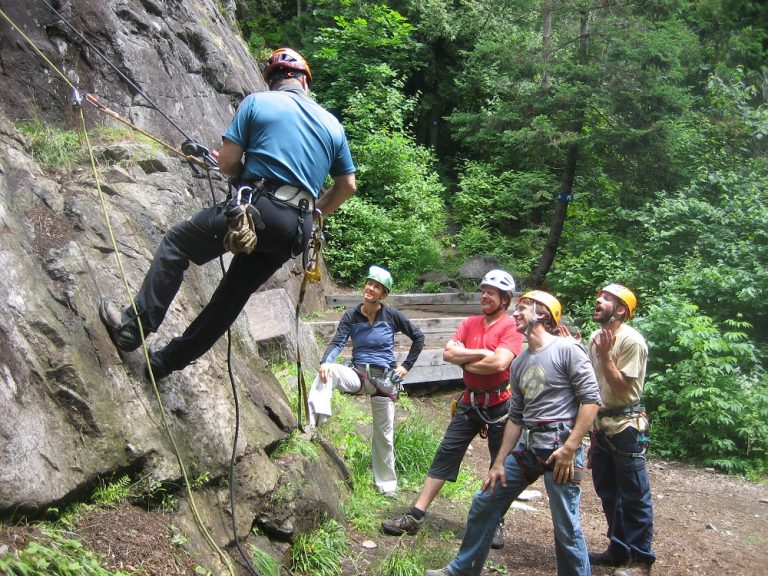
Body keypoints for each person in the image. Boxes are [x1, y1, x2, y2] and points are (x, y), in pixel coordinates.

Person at [99, 47, 356, 379]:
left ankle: (133, 329)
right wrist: (312, 211)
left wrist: (244, 174)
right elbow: (346, 185)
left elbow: (228, 163)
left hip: (257, 208)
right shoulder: (332, 125)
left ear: (273, 81)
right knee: (231, 298)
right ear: (305, 81)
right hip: (297, 228)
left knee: (178, 243)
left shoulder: (257, 103)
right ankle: (165, 363)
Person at [425, 290, 601, 576]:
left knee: (565, 525)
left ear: (543, 314)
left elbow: (591, 401)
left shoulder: (567, 350)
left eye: (524, 308)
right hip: (528, 446)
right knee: (486, 500)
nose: (516, 314)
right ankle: (463, 570)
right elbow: (516, 417)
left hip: (560, 447)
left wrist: (571, 447)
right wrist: (498, 463)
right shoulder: (519, 363)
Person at [382, 269, 522, 550]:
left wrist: (466, 358)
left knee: (499, 462)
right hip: (470, 401)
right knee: (446, 452)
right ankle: (416, 514)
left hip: (499, 405)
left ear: (505, 299)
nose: (484, 295)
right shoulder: (470, 323)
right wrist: (483, 354)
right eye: (482, 290)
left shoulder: (510, 327)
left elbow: (499, 364)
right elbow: (448, 354)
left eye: (491, 293)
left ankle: (496, 520)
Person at [307, 265, 424, 496]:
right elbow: (338, 343)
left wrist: (405, 366)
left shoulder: (391, 316)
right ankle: (314, 423)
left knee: (384, 435)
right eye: (369, 283)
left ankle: (386, 485)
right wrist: (324, 361)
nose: (370, 288)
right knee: (327, 371)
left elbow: (418, 337)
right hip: (358, 375)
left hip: (385, 380)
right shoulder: (351, 315)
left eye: (377, 286)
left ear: (384, 294)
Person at [587, 284, 655, 576]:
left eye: (608, 299)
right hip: (601, 424)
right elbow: (590, 382)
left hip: (627, 425)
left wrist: (605, 355)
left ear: (621, 310)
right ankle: (618, 549)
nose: (599, 301)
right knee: (608, 491)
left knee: (634, 493)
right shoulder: (594, 338)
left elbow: (620, 386)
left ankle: (641, 560)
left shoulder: (632, 341)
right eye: (600, 297)